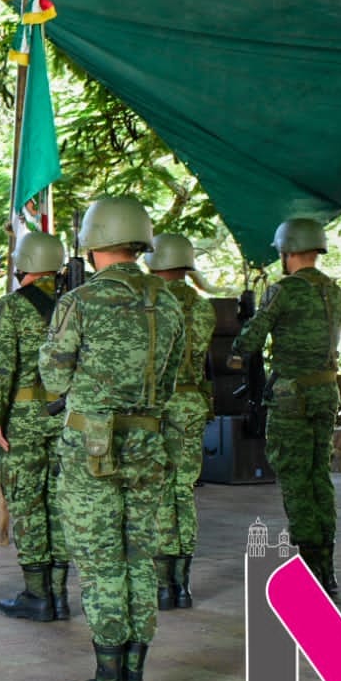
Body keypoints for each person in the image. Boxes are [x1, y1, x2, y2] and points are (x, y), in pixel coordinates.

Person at [39, 197, 184, 681]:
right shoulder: (168, 302)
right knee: (139, 560)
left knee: (101, 564)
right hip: (149, 444)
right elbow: (168, 382)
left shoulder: (81, 301)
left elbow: (54, 377)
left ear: (94, 241)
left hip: (92, 448)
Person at [227, 218, 341, 593]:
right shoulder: (335, 292)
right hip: (326, 394)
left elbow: (253, 336)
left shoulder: (284, 291)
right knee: (319, 478)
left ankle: (312, 570)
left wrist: (235, 353)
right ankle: (327, 566)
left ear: (289, 250)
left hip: (292, 398)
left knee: (296, 482)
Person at [0, 230, 70, 623]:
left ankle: (37, 595)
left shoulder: (12, 308)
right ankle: (60, 593)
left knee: (28, 503)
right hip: (67, 418)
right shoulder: (74, 304)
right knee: (59, 502)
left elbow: (0, 367)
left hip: (25, 420)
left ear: (23, 266)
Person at [145, 232, 216, 610]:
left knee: (160, 489)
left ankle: (161, 584)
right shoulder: (203, 307)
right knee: (184, 491)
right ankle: (182, 585)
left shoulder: (152, 302)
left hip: (160, 404)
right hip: (192, 401)